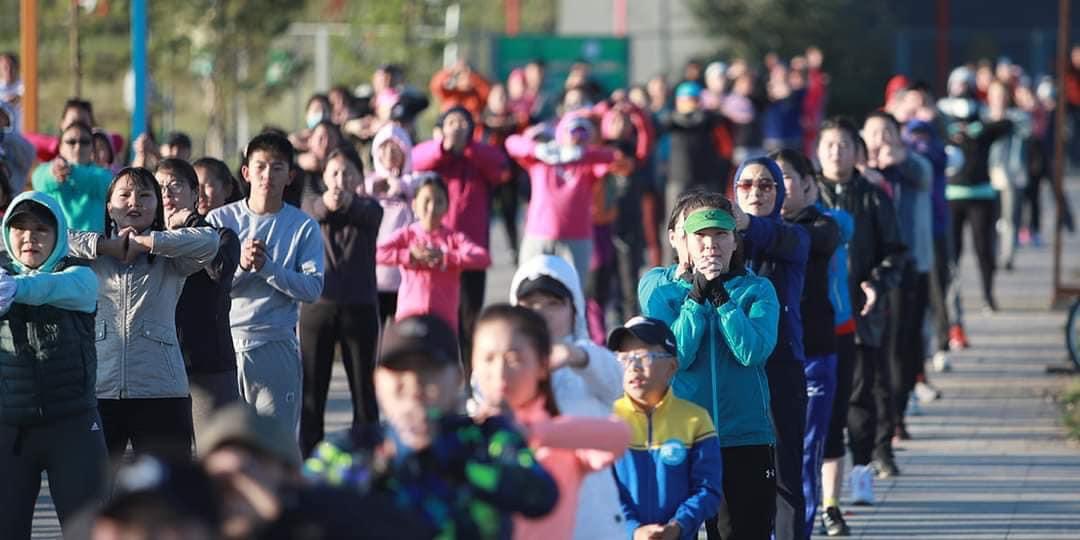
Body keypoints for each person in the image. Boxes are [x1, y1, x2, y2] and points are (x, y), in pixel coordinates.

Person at [304, 314, 559, 539]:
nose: (414, 384)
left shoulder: (486, 439)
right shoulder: (349, 448)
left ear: (458, 378)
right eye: (400, 371)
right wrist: (383, 465)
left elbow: (541, 495)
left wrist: (452, 458)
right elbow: (303, 505)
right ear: (377, 381)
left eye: (428, 370)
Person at [639, 192, 781, 539]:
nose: (710, 245)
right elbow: (676, 358)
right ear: (683, 240)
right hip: (682, 438)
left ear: (735, 241)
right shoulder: (661, 289)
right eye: (701, 235)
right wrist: (696, 299)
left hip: (744, 438)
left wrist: (721, 299)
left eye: (720, 234)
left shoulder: (757, 289)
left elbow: (752, 352)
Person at [68, 167, 220, 458]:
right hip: (99, 390)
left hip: (161, 390)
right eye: (124, 195)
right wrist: (105, 246)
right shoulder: (92, 258)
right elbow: (51, 240)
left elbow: (210, 242)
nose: (134, 202)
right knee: (96, 484)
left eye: (145, 195)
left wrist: (147, 243)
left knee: (168, 483)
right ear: (109, 207)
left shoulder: (171, 258)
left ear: (158, 206)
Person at [470, 304, 631, 539]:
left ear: (542, 366)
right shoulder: (464, 434)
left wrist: (533, 432)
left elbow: (619, 436)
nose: (500, 371)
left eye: (514, 358)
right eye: (488, 358)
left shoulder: (557, 435)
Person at [0, 192, 107, 538]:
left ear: (59, 233)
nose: (29, 237)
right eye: (20, 228)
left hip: (74, 426)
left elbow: (50, 288)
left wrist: (14, 287)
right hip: (9, 431)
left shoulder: (78, 276)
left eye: (41, 229)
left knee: (89, 532)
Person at [207, 132, 325, 438]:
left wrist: (267, 268)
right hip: (224, 346)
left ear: (290, 176)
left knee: (275, 444)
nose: (267, 175)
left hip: (276, 345)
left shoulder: (303, 226)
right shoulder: (219, 220)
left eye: (277, 167)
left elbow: (312, 289)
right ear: (246, 172)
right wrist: (241, 266)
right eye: (260, 166)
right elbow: (206, 289)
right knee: (225, 444)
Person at [815, 118, 907, 506]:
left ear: (857, 152)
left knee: (859, 395)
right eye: (829, 145)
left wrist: (876, 282)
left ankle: (862, 470)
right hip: (815, 315)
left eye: (843, 145)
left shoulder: (873, 197)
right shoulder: (808, 197)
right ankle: (818, 485)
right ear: (818, 151)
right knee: (817, 400)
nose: (836, 152)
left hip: (861, 313)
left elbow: (895, 251)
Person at [507, 254, 627, 539]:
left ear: (575, 310)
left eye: (553, 304)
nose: (541, 312)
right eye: (530, 304)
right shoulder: (502, 369)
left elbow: (616, 380)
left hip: (592, 520)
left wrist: (576, 355)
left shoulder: (589, 361)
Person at [200, 403, 431, 540]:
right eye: (223, 481)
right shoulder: (191, 523)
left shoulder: (329, 517)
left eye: (254, 465)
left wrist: (277, 515)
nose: (241, 485)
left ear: (292, 476)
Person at [732, 155, 811, 540]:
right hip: (734, 371)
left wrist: (744, 223)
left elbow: (771, 237)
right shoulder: (720, 242)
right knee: (738, 480)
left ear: (780, 192)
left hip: (782, 367)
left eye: (766, 184)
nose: (756, 192)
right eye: (746, 185)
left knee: (785, 477)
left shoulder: (795, 235)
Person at [771, 148, 841, 539]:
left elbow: (797, 241)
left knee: (805, 452)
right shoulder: (745, 235)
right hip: (766, 361)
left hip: (813, 354)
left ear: (809, 184)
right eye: (766, 181)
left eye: (783, 177)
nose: (774, 188)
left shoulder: (822, 226)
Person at [607, 316, 724, 540]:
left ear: (671, 367)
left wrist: (678, 526)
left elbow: (708, 489)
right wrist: (633, 530)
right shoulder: (607, 420)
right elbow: (602, 490)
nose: (634, 367)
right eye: (625, 358)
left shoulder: (695, 420)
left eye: (643, 356)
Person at [299, 147, 383, 456]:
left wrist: (348, 203)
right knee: (312, 392)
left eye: (348, 173)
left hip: (360, 307)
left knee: (363, 391)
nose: (341, 179)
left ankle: (369, 457)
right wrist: (327, 203)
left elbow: (367, 213)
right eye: (334, 172)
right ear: (324, 176)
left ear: (360, 178)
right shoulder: (311, 204)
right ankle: (311, 459)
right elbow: (314, 210)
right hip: (317, 308)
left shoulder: (370, 208)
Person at [156, 159, 242, 450]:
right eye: (159, 187)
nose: (166, 193)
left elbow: (219, 269)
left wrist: (192, 223)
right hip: (159, 372)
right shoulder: (147, 243)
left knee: (219, 458)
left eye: (175, 185)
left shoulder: (222, 235)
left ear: (195, 194)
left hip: (208, 367)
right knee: (169, 465)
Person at [411, 105, 508, 362]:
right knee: (437, 314)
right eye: (451, 122)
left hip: (471, 250)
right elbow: (415, 160)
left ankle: (468, 371)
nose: (457, 127)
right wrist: (443, 147)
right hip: (434, 247)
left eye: (463, 122)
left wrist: (469, 147)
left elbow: (500, 167)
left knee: (470, 317)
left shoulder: (479, 156)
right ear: (441, 129)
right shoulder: (435, 157)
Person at [506, 113, 616, 289]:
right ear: (561, 133)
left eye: (584, 133)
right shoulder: (541, 161)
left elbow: (611, 157)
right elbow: (511, 143)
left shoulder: (588, 163)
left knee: (574, 292)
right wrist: (538, 149)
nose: (578, 137)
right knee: (529, 290)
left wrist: (584, 153)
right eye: (573, 131)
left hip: (577, 238)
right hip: (538, 235)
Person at [376, 173, 490, 335]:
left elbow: (483, 258)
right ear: (414, 204)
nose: (432, 208)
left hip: (444, 319)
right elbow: (377, 253)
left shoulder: (453, 238)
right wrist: (409, 256)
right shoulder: (408, 235)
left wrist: (446, 257)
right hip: (410, 316)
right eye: (426, 201)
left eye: (439, 201)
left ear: (447, 207)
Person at [655, 82, 730, 263]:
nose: (690, 104)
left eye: (694, 100)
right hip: (678, 179)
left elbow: (725, 143)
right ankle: (672, 265)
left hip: (706, 179)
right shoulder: (671, 121)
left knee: (710, 221)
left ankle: (711, 262)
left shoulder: (710, 120)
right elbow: (662, 123)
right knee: (674, 225)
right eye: (686, 100)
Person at [366, 124, 417, 327]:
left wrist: (402, 185)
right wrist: (374, 187)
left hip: (405, 278)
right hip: (373, 276)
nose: (389, 154)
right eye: (384, 148)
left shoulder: (414, 182)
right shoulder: (369, 184)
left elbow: (428, 183)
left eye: (395, 148)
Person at [31, 121, 113, 233]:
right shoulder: (47, 171)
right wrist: (52, 172)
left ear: (92, 148)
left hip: (93, 242)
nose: (78, 147)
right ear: (60, 147)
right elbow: (37, 180)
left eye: (84, 142)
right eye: (71, 142)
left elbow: (106, 184)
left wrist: (70, 171)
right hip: (58, 241)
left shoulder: (103, 175)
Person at [0, 101, 35, 193]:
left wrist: (4, 137)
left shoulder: (16, 142)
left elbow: (29, 157)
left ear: (7, 118)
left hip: (13, 197)